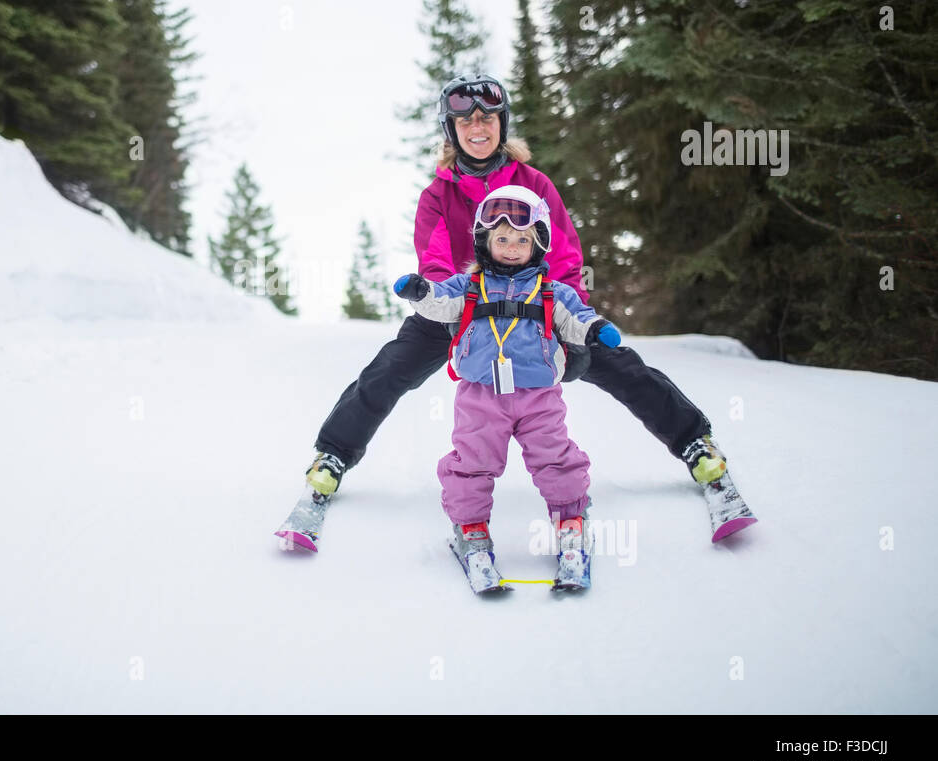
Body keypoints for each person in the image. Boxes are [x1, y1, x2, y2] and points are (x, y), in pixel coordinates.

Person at [303, 73, 730, 510]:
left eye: (488, 118)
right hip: (462, 305)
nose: (478, 127)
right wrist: (451, 307)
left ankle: (695, 442)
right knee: (390, 368)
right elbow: (434, 260)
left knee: (619, 363)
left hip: (536, 303)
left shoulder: (534, 183)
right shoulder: (437, 195)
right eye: (466, 120)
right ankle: (333, 453)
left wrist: (568, 318)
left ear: (501, 125)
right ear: (451, 131)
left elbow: (563, 252)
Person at [393, 186, 622, 592]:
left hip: (539, 397)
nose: (512, 247)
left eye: (522, 239)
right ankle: (471, 528)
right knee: (473, 461)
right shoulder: (469, 285)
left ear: (539, 242)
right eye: (502, 239)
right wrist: (420, 291)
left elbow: (578, 318)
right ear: (485, 240)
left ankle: (571, 520)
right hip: (481, 395)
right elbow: (439, 300)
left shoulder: (554, 291)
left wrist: (598, 329)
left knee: (556, 458)